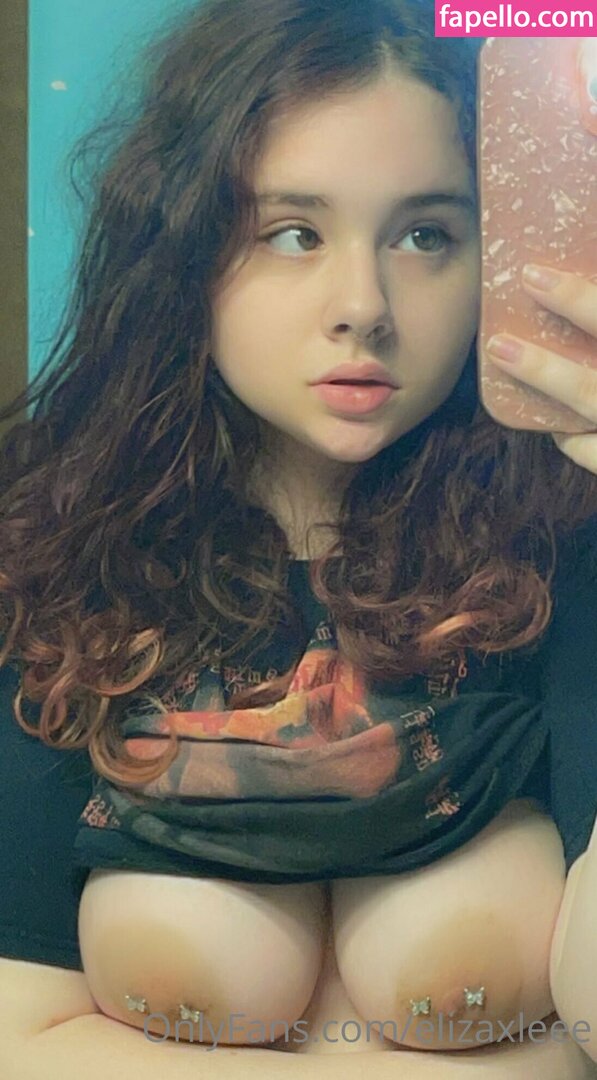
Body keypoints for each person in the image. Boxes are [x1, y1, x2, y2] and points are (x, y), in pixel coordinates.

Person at [1, 0, 597, 1074]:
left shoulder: (565, 536)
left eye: (425, 234)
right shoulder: (55, 543)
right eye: (292, 232)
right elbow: (14, 1035)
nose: (363, 304)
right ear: (184, 247)